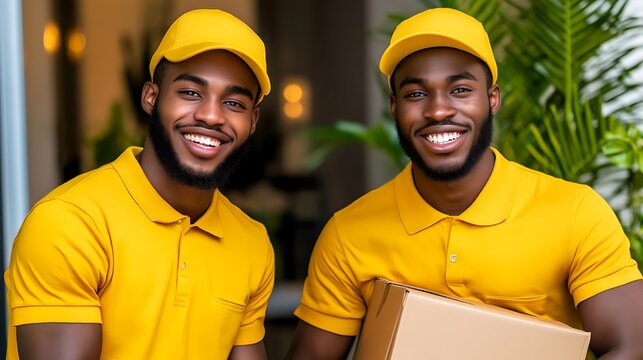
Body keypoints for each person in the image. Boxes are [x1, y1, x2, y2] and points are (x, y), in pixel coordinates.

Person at [286, 7, 643, 359]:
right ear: (394, 107)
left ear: (492, 99)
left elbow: (631, 347)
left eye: (460, 90)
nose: (438, 110)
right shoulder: (350, 233)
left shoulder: (575, 212)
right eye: (415, 94)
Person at [5, 9, 274, 360]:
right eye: (191, 92)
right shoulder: (71, 223)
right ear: (151, 97)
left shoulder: (251, 243)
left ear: (252, 121)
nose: (211, 115)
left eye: (234, 102)